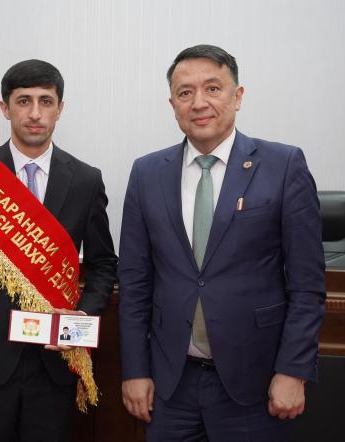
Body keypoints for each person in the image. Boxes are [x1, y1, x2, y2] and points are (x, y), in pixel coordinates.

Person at [118, 44, 325, 441]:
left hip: (256, 383)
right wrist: (135, 370)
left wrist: (293, 370)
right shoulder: (147, 173)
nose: (199, 103)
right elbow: (134, 282)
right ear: (172, 104)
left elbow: (307, 285)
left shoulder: (283, 165)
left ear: (238, 96)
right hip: (170, 385)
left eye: (213, 88)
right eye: (185, 92)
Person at [0, 59, 118, 442]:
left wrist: (82, 317)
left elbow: (103, 265)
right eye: (23, 101)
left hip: (54, 362)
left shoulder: (85, 180)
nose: (35, 113)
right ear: (5, 108)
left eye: (46, 101)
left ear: (60, 108)